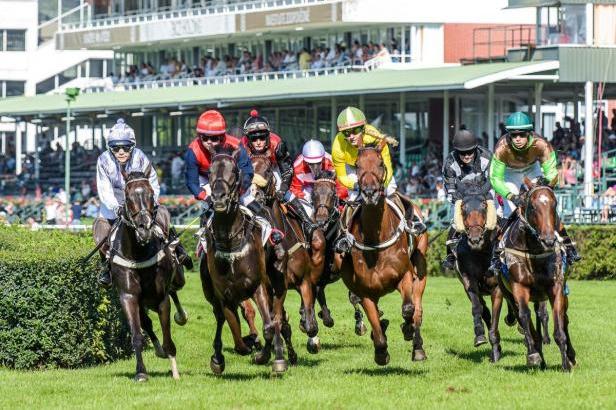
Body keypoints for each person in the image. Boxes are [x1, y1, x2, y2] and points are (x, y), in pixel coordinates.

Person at [93, 119, 192, 288]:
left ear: (132, 146)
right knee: (101, 231)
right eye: (116, 148)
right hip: (114, 202)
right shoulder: (103, 160)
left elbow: (152, 181)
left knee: (162, 215)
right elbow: (104, 188)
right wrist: (116, 207)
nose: (121, 152)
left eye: (125, 147)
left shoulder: (140, 157)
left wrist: (150, 203)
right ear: (110, 148)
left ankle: (178, 249)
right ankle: (106, 268)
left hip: (140, 202)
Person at [489, 112, 580, 272]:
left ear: (529, 133)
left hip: (532, 169)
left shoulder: (541, 144)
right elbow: (495, 178)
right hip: (509, 174)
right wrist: (511, 196)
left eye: (521, 134)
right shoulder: (501, 147)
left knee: (544, 205)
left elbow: (552, 173)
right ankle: (496, 254)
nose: (517, 138)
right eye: (514, 134)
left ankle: (568, 245)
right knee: (507, 211)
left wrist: (544, 183)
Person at [331, 106, 425, 254]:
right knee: (353, 199)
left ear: (363, 128)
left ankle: (412, 221)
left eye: (355, 131)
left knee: (391, 191)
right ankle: (344, 235)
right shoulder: (338, 145)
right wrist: (356, 184)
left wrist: (381, 185)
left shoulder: (375, 138)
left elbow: (386, 167)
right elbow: (342, 176)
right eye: (346, 133)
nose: (351, 136)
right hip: (354, 169)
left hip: (376, 168)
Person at [184, 109, 282, 246]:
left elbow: (248, 172)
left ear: (222, 136)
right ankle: (204, 243)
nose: (209, 142)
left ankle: (272, 231)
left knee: (248, 200)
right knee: (209, 205)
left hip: (231, 179)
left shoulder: (235, 145)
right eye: (204, 138)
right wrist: (205, 197)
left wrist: (239, 191)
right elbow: (191, 182)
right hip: (206, 179)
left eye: (214, 138)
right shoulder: (192, 151)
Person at [441, 130, 492, 270]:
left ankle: (500, 252)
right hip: (461, 197)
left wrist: (485, 196)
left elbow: (492, 181)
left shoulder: (487, 156)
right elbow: (450, 188)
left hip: (484, 193)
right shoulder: (450, 162)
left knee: (497, 217)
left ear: (476, 148)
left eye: (470, 151)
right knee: (455, 222)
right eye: (463, 153)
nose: (467, 155)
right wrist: (458, 199)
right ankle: (450, 256)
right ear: (457, 151)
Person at [284, 139, 348, 238]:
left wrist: (337, 198)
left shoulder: (331, 162)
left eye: (318, 163)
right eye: (310, 164)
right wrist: (309, 198)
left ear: (322, 159)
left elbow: (342, 187)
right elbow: (295, 189)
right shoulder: (297, 166)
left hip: (327, 189)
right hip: (308, 189)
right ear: (305, 161)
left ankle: (343, 235)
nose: (315, 168)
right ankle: (307, 233)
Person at [240, 110, 294, 195]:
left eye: (262, 138)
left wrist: (283, 190)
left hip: (275, 169)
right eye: (254, 139)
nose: (258, 142)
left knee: (288, 196)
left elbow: (287, 171)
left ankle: (301, 209)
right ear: (248, 139)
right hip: (250, 170)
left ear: (268, 136)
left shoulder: (277, 144)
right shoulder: (242, 145)